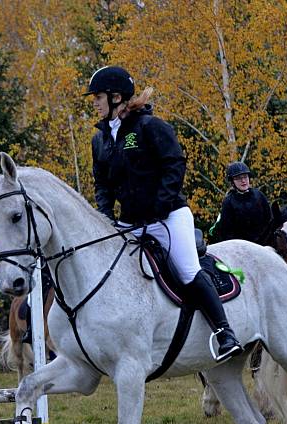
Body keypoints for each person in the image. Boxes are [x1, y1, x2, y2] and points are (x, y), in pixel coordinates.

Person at [86, 66, 242, 362]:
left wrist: (159, 207)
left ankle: (224, 332)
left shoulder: (150, 127)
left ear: (116, 97)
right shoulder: (101, 139)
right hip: (129, 222)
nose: (94, 102)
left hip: (168, 216)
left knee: (186, 269)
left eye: (98, 96)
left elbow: (174, 166)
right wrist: (105, 216)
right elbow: (102, 184)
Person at [209, 162, 273, 244]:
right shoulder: (228, 201)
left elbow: (269, 219)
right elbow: (226, 231)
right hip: (240, 246)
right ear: (232, 182)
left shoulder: (259, 195)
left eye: (245, 177)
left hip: (263, 244)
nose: (243, 181)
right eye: (238, 178)